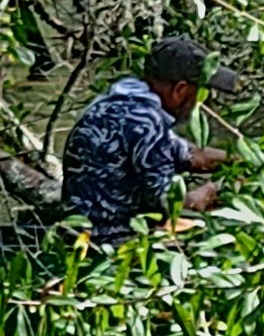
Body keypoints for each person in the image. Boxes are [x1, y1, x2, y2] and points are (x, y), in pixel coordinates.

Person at [57, 34, 229, 243]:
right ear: (180, 90)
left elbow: (188, 155)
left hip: (79, 227)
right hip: (108, 239)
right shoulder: (146, 123)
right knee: (212, 234)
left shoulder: (113, 104)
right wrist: (216, 188)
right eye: (200, 93)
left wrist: (257, 161)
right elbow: (175, 203)